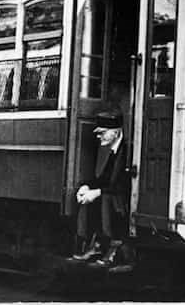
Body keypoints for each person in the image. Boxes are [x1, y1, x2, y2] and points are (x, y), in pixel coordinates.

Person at [71, 111, 129, 267]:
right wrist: (87, 186)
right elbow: (105, 179)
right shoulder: (115, 150)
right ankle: (93, 245)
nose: (99, 136)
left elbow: (122, 185)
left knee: (105, 198)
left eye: (103, 133)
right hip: (113, 195)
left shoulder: (127, 151)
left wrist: (97, 192)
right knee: (87, 197)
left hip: (122, 201)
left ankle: (113, 248)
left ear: (116, 132)